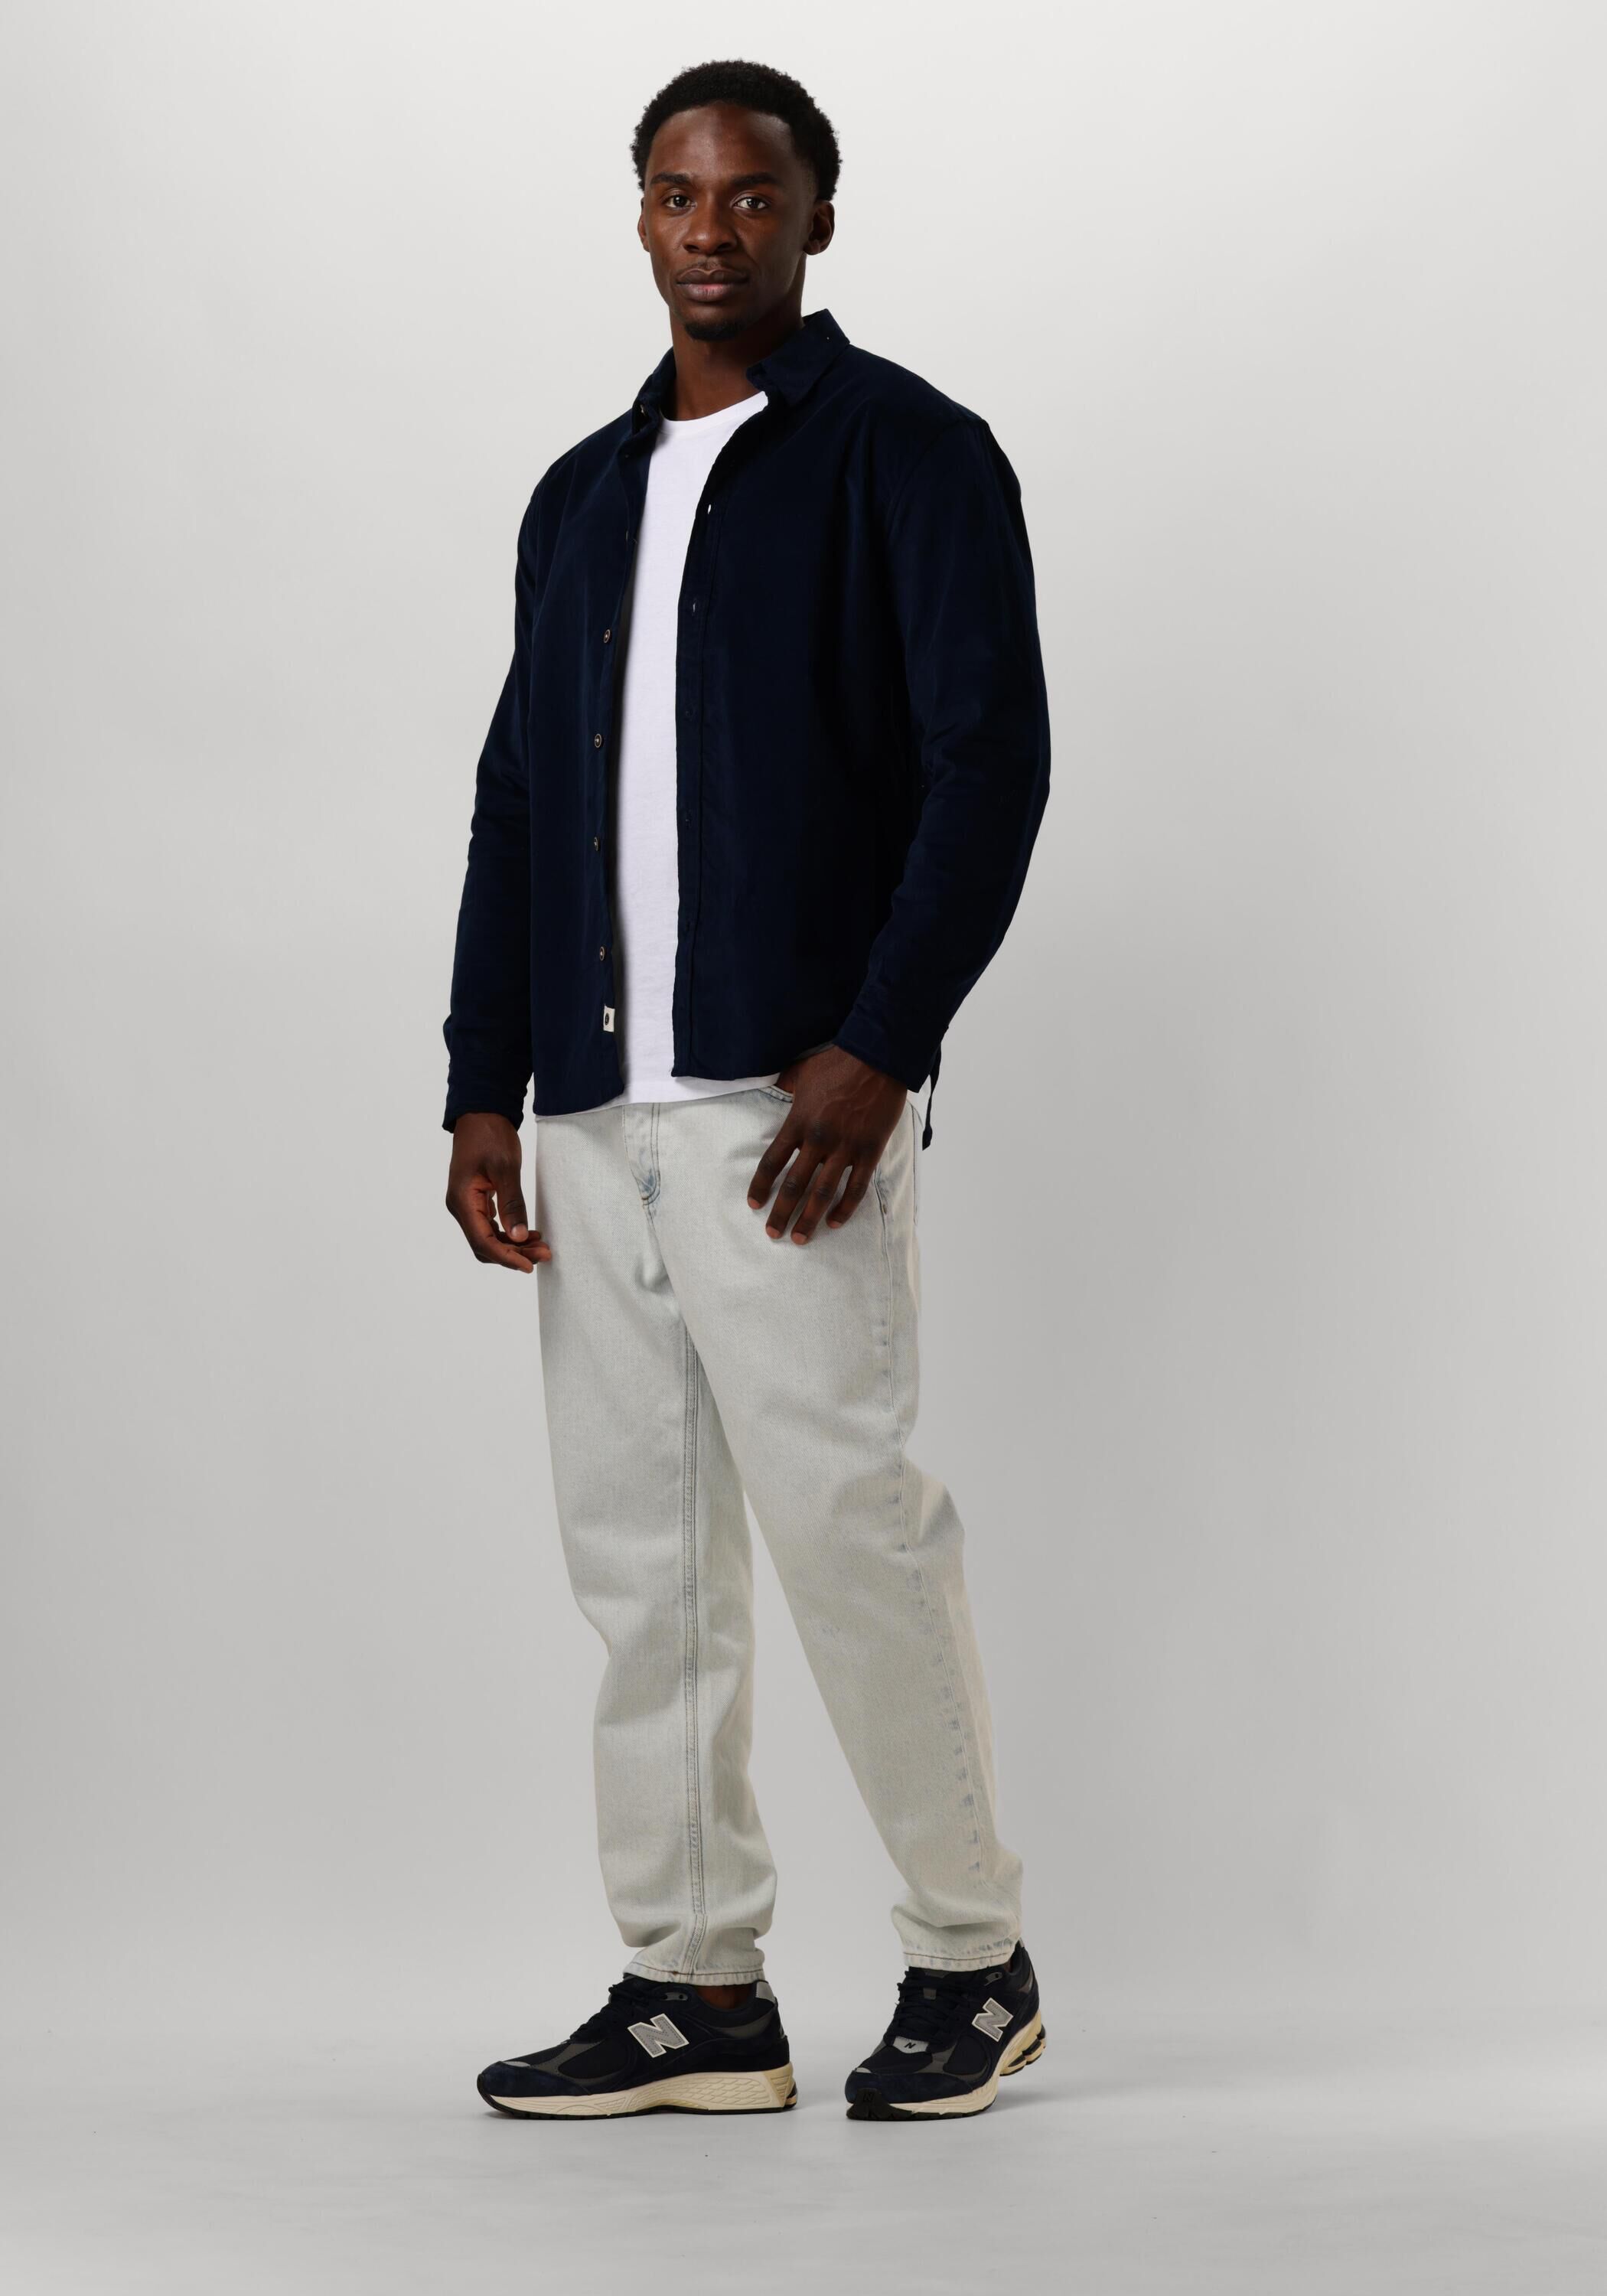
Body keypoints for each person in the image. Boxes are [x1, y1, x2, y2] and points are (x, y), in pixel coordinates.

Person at [442, 57, 1051, 2122]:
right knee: (642, 1567)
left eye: (754, 194)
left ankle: (972, 1955)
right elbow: (520, 798)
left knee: (849, 1529)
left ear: (817, 215)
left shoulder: (909, 453)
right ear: (638, 213)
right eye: (679, 193)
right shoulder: (581, 494)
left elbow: (989, 764)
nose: (713, 229)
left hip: (787, 1113)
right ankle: (695, 1986)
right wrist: (485, 1082)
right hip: (595, 1108)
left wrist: (880, 1046)